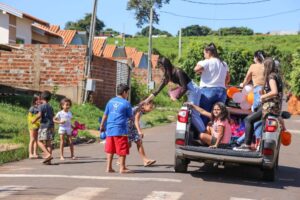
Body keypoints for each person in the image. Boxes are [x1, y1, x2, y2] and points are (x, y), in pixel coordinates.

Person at [142, 57, 204, 132]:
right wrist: (146, 100)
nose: (161, 69)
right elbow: (157, 90)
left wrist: (176, 97)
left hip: (194, 91)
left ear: (166, 66)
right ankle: (197, 132)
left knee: (194, 113)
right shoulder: (168, 76)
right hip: (188, 92)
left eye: (161, 67)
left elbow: (185, 88)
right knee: (190, 113)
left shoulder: (178, 72)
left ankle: (203, 131)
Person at [234, 58, 283, 151]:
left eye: (264, 66)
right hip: (274, 106)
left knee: (248, 120)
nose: (262, 68)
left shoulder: (271, 77)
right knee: (254, 121)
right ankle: (254, 144)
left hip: (269, 106)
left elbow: (274, 92)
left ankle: (246, 145)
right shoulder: (277, 76)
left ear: (267, 66)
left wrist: (263, 97)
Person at [194, 43, 230, 127]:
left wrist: (200, 69)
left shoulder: (206, 62)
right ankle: (217, 135)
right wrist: (224, 84)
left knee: (204, 114)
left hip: (208, 91)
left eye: (204, 53)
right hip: (222, 92)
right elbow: (228, 78)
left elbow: (196, 69)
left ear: (208, 52)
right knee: (219, 116)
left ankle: (203, 135)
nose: (204, 55)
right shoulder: (224, 63)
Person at [100, 83, 133, 173]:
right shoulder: (126, 103)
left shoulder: (110, 101)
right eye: (127, 93)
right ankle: (122, 168)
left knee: (110, 149)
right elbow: (131, 117)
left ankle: (109, 167)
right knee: (122, 149)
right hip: (120, 130)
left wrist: (102, 125)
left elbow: (105, 114)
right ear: (124, 92)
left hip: (109, 129)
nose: (127, 95)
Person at [128, 100, 156, 167]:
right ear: (144, 105)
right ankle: (120, 159)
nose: (151, 109)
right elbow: (136, 121)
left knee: (138, 142)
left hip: (131, 127)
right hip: (127, 127)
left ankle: (145, 160)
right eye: (150, 107)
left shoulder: (139, 109)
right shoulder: (139, 110)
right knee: (129, 145)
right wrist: (139, 131)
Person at [31, 91, 54, 164]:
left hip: (44, 126)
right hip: (51, 126)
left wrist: (34, 120)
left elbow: (39, 115)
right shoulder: (50, 106)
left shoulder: (41, 106)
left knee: (39, 141)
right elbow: (53, 115)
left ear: (41, 98)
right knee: (48, 143)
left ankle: (48, 154)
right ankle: (49, 161)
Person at [27, 94, 41, 159]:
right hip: (32, 126)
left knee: (36, 140)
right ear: (35, 101)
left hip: (38, 125)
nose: (39, 100)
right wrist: (33, 122)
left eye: (40, 99)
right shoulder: (32, 108)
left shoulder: (40, 107)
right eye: (38, 99)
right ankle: (30, 154)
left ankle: (35, 153)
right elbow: (29, 117)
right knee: (32, 139)